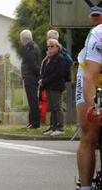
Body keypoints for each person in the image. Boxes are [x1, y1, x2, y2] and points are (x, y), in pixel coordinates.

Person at [76, 6, 102, 190]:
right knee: (90, 131)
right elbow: (89, 77)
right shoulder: (98, 35)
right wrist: (95, 106)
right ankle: (85, 186)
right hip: (90, 74)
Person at [39, 39, 66, 136]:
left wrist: (45, 80)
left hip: (56, 86)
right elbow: (45, 71)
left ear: (57, 47)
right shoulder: (49, 58)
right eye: (48, 46)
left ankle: (60, 127)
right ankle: (52, 126)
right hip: (49, 86)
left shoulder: (60, 58)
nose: (49, 48)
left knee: (57, 106)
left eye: (52, 46)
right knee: (51, 107)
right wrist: (42, 80)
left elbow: (58, 73)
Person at [19, 29, 42, 129]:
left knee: (33, 100)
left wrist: (38, 75)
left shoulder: (31, 48)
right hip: (30, 77)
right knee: (31, 100)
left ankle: (35, 123)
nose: (21, 41)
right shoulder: (31, 47)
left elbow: (33, 65)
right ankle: (31, 121)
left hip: (31, 77)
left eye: (21, 39)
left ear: (24, 38)